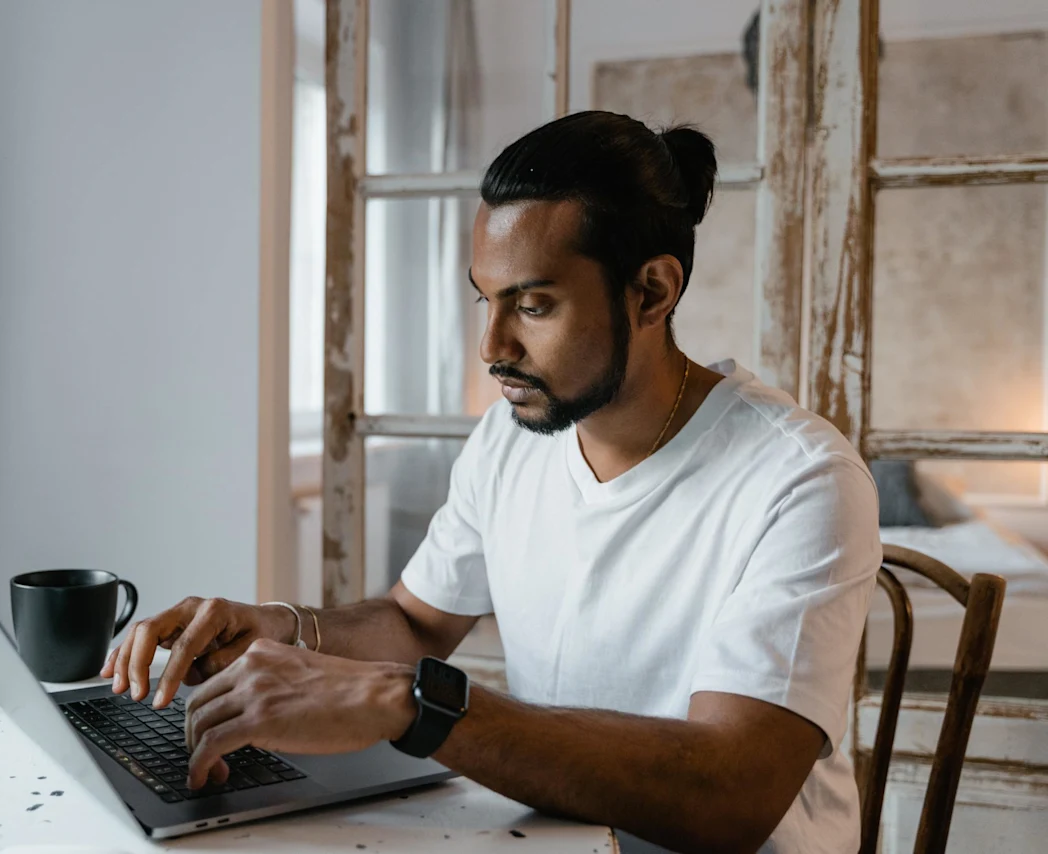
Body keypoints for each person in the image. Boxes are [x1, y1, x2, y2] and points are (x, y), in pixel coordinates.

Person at [101, 111, 880, 853]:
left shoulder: (799, 480)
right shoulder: (513, 437)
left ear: (652, 292)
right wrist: (278, 626)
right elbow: (415, 621)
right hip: (550, 835)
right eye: (486, 299)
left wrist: (406, 702)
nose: (492, 345)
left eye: (533, 305)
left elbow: (728, 798)